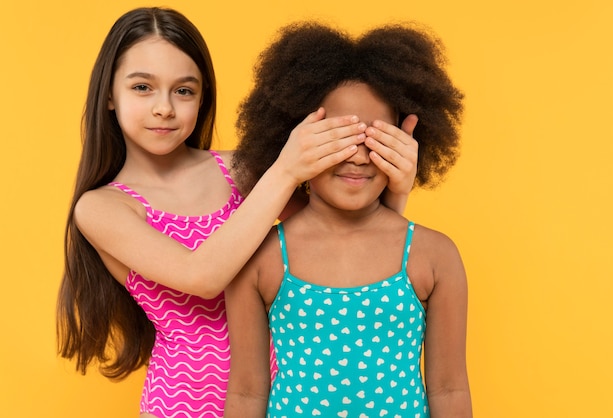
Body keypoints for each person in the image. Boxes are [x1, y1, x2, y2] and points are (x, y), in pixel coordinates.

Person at [56, 8, 418, 418]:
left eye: (184, 91)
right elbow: (202, 277)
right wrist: (285, 169)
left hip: (283, 397)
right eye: (142, 87)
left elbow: (343, 243)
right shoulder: (102, 207)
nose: (164, 108)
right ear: (108, 94)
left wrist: (397, 189)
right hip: (181, 403)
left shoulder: (240, 171)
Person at [224, 22, 471, 418]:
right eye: (338, 137)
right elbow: (246, 395)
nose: (356, 157)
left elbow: (449, 388)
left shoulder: (434, 255)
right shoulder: (259, 258)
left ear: (405, 138)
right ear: (295, 138)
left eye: (375, 138)